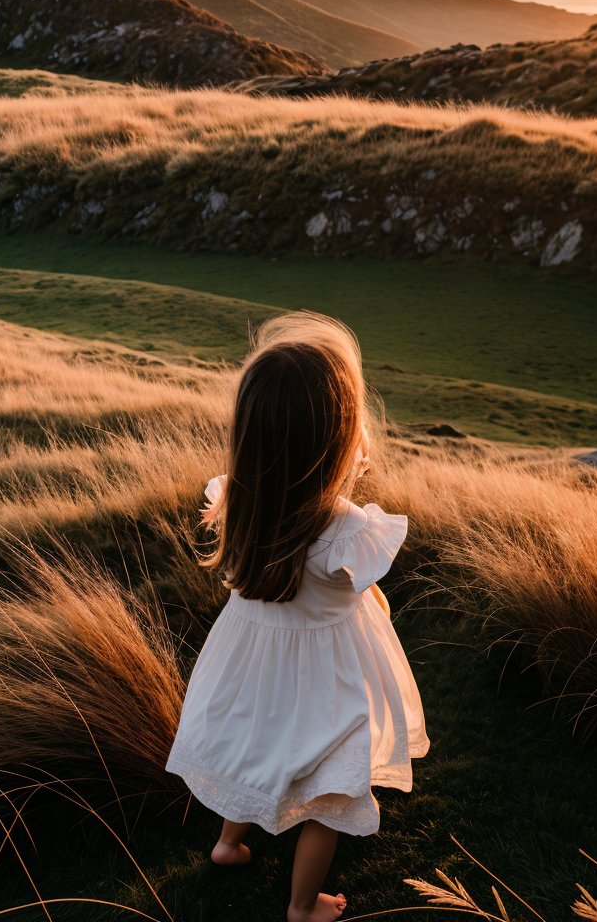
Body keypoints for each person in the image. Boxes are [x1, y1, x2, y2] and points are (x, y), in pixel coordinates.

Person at [165, 311, 429, 922]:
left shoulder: (238, 502)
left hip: (254, 667)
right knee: (329, 795)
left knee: (257, 753)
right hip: (326, 678)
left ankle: (228, 843)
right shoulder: (347, 529)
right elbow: (352, 585)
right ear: (335, 442)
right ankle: (302, 906)